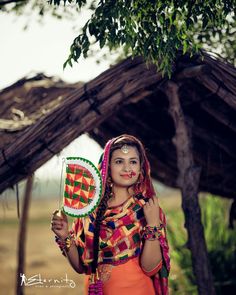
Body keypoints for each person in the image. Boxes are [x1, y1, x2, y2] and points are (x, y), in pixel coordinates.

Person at [51, 134, 170, 295]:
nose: (127, 169)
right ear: (107, 166)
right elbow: (80, 267)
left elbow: (150, 268)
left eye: (133, 162)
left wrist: (153, 225)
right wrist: (64, 236)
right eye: (119, 161)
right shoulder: (90, 210)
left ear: (141, 167)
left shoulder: (147, 209)